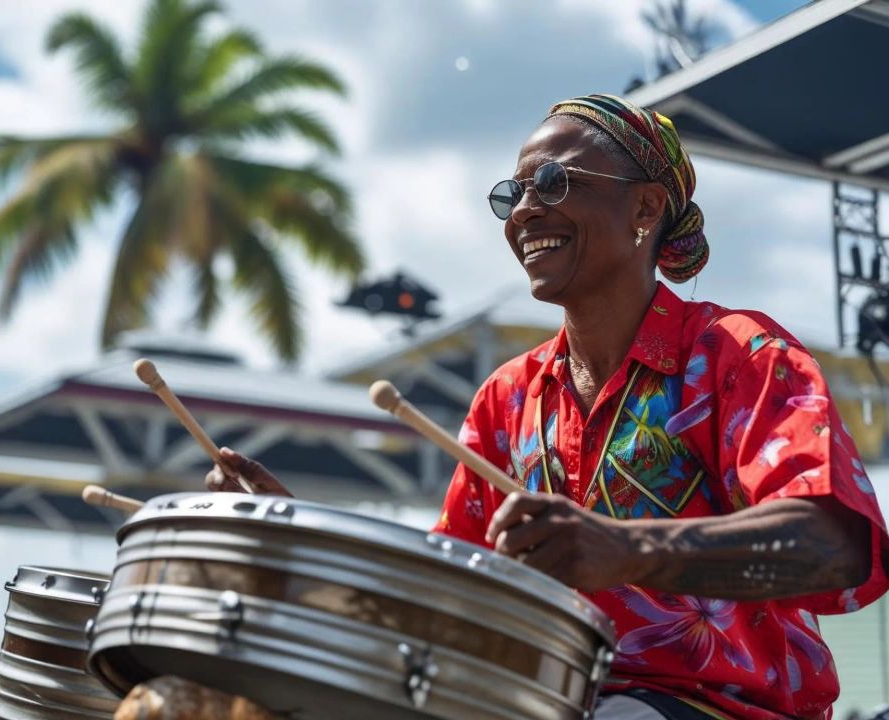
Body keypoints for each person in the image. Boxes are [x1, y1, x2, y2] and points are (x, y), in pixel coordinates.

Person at [207, 93, 889, 719]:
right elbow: (449, 601)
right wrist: (297, 539)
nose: (526, 210)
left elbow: (835, 546)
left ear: (645, 210)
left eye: (555, 183)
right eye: (514, 194)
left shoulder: (740, 355)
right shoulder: (506, 398)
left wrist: (629, 549)